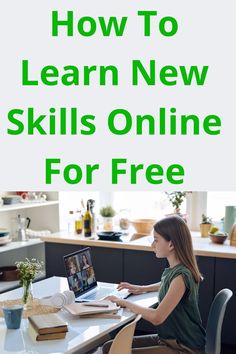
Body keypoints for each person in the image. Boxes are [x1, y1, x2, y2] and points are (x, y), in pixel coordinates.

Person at [103, 216, 206, 354]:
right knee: (109, 347)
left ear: (171, 244)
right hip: (169, 340)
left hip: (184, 347)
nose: (152, 244)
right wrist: (142, 288)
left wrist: (123, 302)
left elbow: (157, 317)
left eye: (156, 240)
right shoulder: (176, 270)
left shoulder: (181, 276)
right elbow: (165, 284)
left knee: (118, 351)